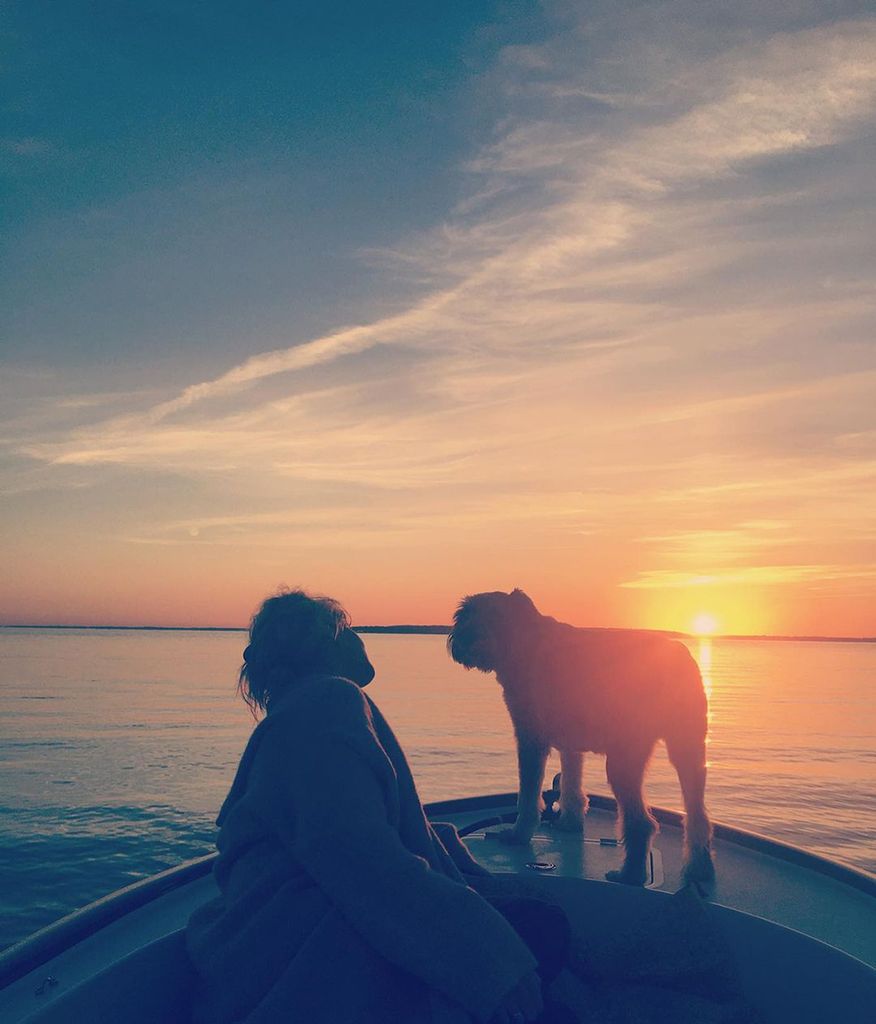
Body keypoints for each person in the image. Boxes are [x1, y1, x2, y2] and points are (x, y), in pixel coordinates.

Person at [186, 588, 574, 1024]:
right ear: (326, 643)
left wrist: (437, 847)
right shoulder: (326, 705)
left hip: (283, 925)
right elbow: (361, 861)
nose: (359, 637)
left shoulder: (309, 707)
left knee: (539, 924)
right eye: (347, 628)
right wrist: (489, 964)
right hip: (310, 939)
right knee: (544, 929)